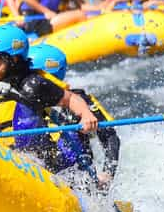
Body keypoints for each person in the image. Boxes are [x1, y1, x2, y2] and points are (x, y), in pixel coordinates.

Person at [0, 24, 97, 173]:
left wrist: (86, 114)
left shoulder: (32, 84)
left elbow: (71, 99)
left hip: (34, 165)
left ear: (13, 58)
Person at [28, 43, 120, 191]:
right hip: (37, 170)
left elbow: (110, 136)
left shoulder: (80, 100)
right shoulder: (20, 99)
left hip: (75, 176)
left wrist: (107, 174)